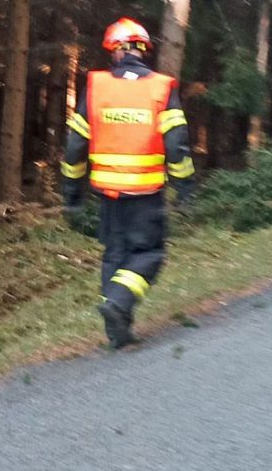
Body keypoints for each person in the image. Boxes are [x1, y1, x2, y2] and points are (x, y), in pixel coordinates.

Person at [61, 18, 196, 349]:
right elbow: (176, 145)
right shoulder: (161, 88)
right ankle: (119, 304)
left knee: (116, 255)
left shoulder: (98, 88)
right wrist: (185, 190)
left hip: (108, 194)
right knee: (150, 254)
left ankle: (117, 330)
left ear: (118, 52)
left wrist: (72, 195)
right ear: (142, 51)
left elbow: (75, 145)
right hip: (146, 194)